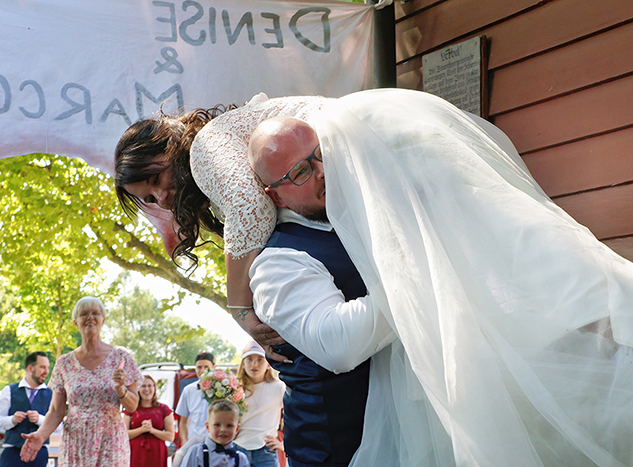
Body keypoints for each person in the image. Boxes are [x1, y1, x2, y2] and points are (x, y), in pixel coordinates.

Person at [247, 90, 633, 467]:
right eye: (300, 171)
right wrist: (422, 266)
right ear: (276, 197)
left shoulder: (369, 218)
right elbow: (338, 345)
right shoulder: (280, 263)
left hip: (433, 431)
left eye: (321, 156)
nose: (321, 172)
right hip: (340, 448)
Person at [114, 94, 330, 350]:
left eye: (156, 178)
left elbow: (252, 209)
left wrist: (238, 307)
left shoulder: (204, 146)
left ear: (168, 145)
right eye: (150, 198)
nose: (161, 197)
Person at [20, 296, 142, 466]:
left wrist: (121, 390)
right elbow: (56, 411)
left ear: (103, 320)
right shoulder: (64, 363)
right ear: (76, 322)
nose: (90, 317)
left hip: (110, 441)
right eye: (84, 314)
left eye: (95, 313)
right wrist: (40, 435)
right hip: (76, 443)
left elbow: (133, 406)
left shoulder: (121, 356)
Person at [0, 352, 52, 467]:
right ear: (30, 368)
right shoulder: (9, 390)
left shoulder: (51, 394)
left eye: (47, 367)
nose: (46, 371)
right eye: (42, 367)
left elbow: (58, 426)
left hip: (39, 454)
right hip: (12, 453)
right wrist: (12, 420)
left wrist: (39, 419)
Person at [233, 341, 285, 467]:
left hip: (266, 451)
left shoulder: (279, 387)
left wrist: (284, 444)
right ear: (243, 364)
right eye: (249, 359)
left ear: (268, 363)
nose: (254, 364)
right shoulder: (234, 388)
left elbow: (295, 417)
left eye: (260, 359)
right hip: (238, 448)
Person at [123, 374, 175, 467]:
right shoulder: (131, 409)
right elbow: (123, 435)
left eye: (149, 386)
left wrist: (152, 430)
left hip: (157, 453)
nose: (146, 389)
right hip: (135, 453)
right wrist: (141, 430)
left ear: (154, 388)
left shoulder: (164, 409)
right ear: (138, 389)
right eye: (143, 386)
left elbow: (170, 436)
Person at [181, 400, 250, 467]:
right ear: (208, 427)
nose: (223, 430)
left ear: (237, 429)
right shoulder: (196, 453)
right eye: (217, 425)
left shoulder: (241, 459)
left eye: (229, 425)